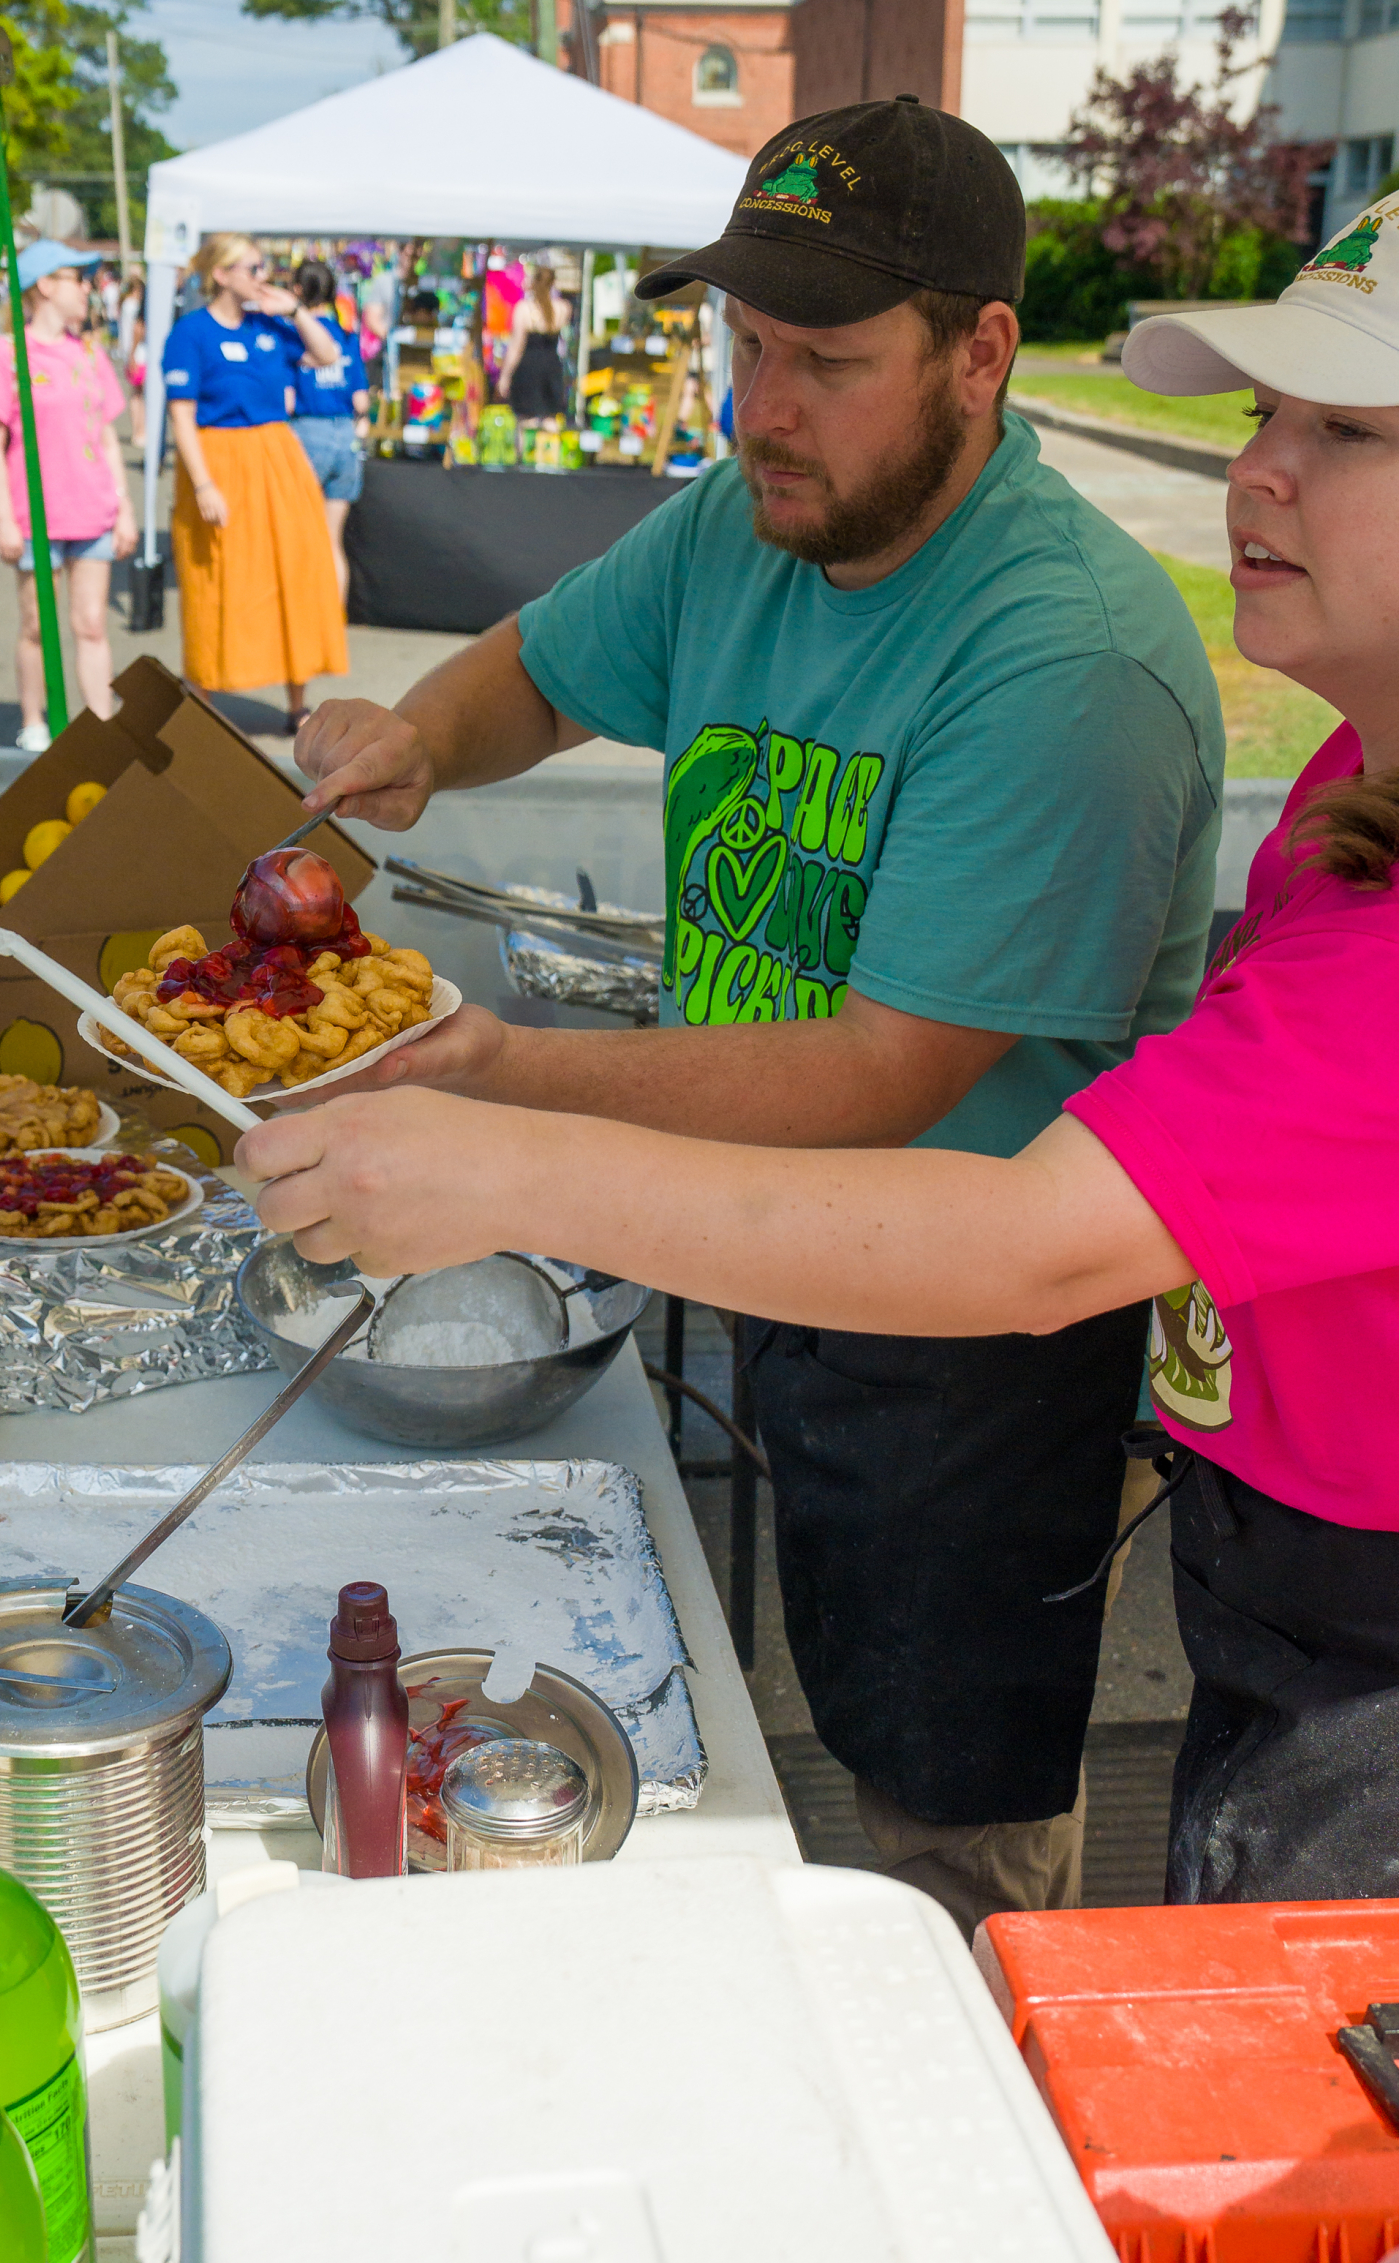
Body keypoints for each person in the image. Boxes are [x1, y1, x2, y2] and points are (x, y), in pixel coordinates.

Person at [247, 200, 1399, 1914]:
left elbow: (1013, 1228)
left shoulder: (1076, 663)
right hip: (1268, 1544)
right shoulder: (1347, 797)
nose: (1259, 472)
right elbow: (557, 661)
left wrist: (492, 1126)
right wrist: (422, 739)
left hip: (1207, 1527)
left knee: (975, 1813)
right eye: (1258, 416)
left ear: (979, 358)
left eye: (1348, 430)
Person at [164, 232, 345, 735]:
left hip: (277, 455)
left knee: (295, 571)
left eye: (263, 267)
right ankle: (201, 694)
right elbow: (181, 416)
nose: (263, 277)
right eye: (253, 268)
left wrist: (295, 311)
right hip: (218, 457)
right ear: (220, 275)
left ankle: (297, 702)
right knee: (214, 576)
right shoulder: (190, 333)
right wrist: (203, 484)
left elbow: (329, 356)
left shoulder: (271, 324)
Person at [0, 237, 139, 751]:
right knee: (36, 625)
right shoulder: (4, 354)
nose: (88, 290)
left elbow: (107, 437)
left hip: (93, 511)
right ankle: (34, 721)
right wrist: (4, 517)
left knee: (91, 623)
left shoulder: (88, 353)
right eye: (77, 279)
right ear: (44, 285)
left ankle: (99, 724)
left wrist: (124, 507)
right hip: (35, 517)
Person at [291, 260, 369, 605]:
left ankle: (305, 620)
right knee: (332, 541)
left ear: (298, 291)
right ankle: (332, 624)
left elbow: (287, 400)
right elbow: (361, 400)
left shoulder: (296, 337)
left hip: (309, 433)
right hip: (346, 437)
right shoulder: (347, 336)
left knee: (300, 537)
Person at [498, 260, 569, 420]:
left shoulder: (523, 309)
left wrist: (505, 377)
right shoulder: (563, 308)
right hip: (552, 367)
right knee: (550, 420)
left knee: (526, 420)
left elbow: (516, 347)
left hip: (528, 369)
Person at [116, 269, 148, 451]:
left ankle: (139, 430)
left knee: (136, 394)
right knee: (139, 395)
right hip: (139, 353)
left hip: (135, 353)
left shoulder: (127, 304)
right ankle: (140, 430)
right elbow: (137, 330)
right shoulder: (134, 306)